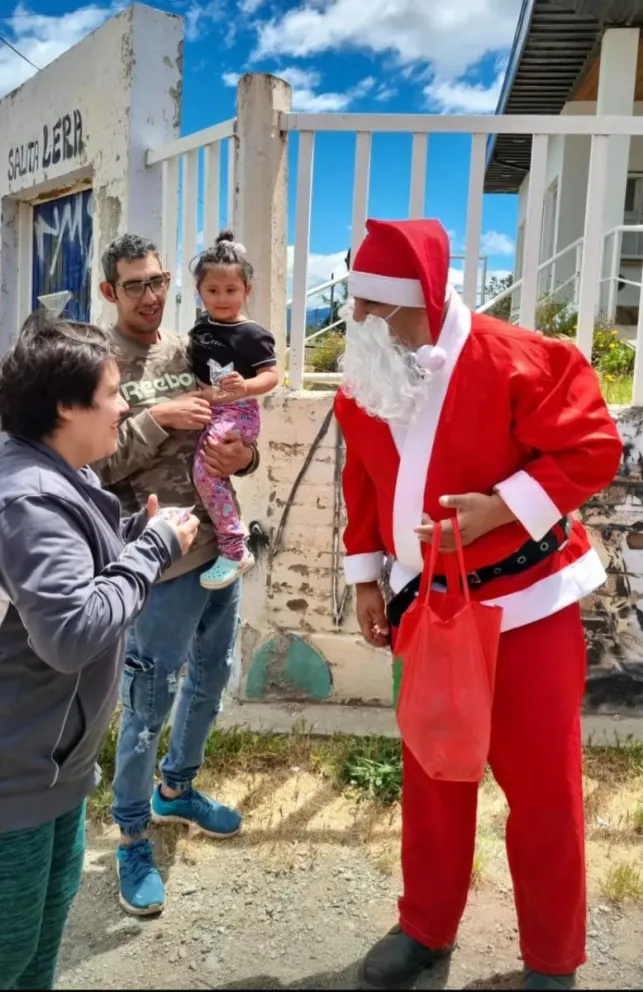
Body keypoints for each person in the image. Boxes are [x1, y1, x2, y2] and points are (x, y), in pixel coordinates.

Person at [334, 218, 623, 992]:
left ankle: (551, 959)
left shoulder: (518, 359)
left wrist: (498, 509)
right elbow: (362, 482)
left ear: (420, 302)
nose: (355, 318)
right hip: (423, 607)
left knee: (543, 789)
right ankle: (424, 925)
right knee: (433, 778)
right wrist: (365, 579)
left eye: (371, 303)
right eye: (353, 299)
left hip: (527, 606)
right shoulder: (367, 377)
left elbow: (592, 447)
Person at [0, 311, 198, 991]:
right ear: (65, 405)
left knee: (36, 953)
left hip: (52, 769)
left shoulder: (61, 474)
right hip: (16, 781)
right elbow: (70, 633)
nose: (124, 407)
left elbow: (77, 567)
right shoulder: (28, 499)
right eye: (113, 393)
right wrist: (151, 551)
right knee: (10, 956)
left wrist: (133, 532)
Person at [97, 233, 260, 917]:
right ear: (109, 291)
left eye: (157, 280)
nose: (150, 295)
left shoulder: (192, 349)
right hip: (154, 564)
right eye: (134, 284)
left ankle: (176, 789)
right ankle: (132, 831)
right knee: (147, 701)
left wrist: (243, 458)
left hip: (218, 551)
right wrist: (157, 419)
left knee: (212, 678)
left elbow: (232, 428)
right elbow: (92, 465)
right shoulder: (96, 363)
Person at [188, 229, 278, 590]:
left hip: (238, 412)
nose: (222, 298)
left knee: (207, 468)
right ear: (199, 291)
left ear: (246, 290)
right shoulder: (200, 327)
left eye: (231, 290)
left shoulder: (252, 334)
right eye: (213, 290)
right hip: (212, 408)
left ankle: (234, 547)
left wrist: (246, 387)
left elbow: (272, 375)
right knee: (208, 471)